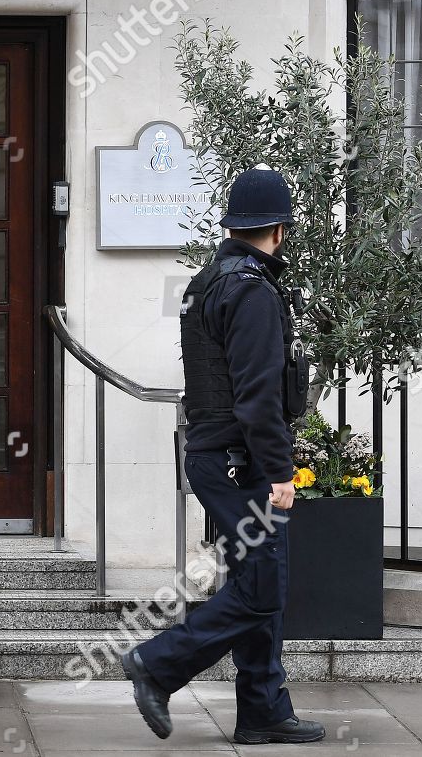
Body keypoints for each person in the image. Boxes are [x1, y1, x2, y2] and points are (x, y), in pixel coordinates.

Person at [122, 167, 324, 746]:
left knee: (260, 578)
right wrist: (281, 473)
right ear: (280, 229)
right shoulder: (253, 291)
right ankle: (158, 664)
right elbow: (258, 396)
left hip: (218, 455)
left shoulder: (209, 281)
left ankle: (262, 708)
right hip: (242, 461)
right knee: (262, 588)